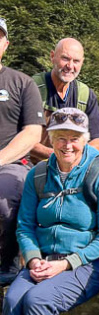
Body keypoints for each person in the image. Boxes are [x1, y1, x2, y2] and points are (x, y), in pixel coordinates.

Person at [2, 107, 99, 315]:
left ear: (85, 140)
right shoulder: (38, 174)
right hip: (43, 262)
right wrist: (34, 259)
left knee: (39, 299)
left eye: (74, 139)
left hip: (87, 264)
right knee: (12, 300)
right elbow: (25, 226)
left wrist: (66, 264)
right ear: (51, 140)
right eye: (61, 138)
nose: (68, 145)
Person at [0, 17, 44, 283]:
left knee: (4, 201)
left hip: (10, 163)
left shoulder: (21, 83)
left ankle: (6, 264)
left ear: (6, 43)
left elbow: (32, 133)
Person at [30, 37, 99, 163]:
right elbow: (19, 137)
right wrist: (56, 156)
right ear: (52, 56)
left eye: (76, 61)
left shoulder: (85, 94)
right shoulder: (32, 88)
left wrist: (77, 157)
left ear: (82, 62)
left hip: (74, 163)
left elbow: (98, 141)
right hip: (33, 163)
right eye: (65, 58)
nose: (70, 66)